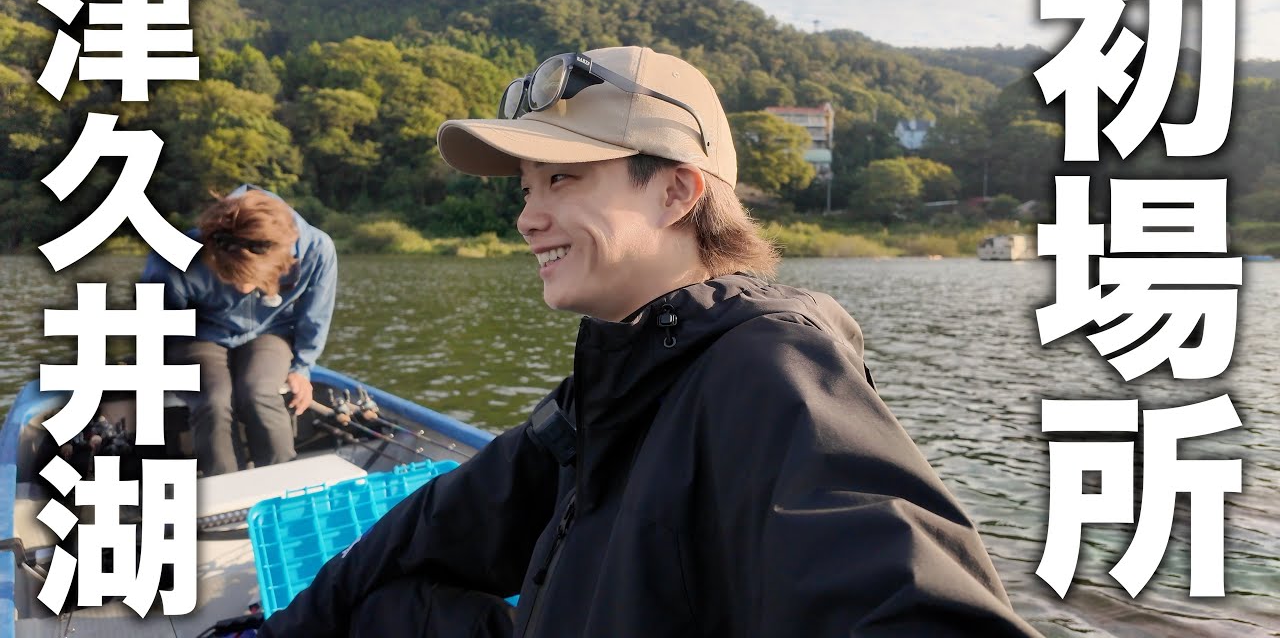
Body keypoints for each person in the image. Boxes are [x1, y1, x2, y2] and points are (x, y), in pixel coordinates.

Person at [260, 47, 1040, 636]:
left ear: (677, 191)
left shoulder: (770, 366)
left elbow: (909, 599)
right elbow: (439, 522)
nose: (527, 217)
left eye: (563, 179)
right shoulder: (621, 375)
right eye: (527, 188)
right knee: (387, 605)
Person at [142, 185, 337, 476]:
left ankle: (283, 487)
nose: (244, 289)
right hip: (198, 334)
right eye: (230, 277)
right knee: (214, 399)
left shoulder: (317, 250)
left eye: (253, 279)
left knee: (259, 392)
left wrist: (301, 367)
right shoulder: (174, 258)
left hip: (270, 331)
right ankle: (224, 489)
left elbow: (315, 316)